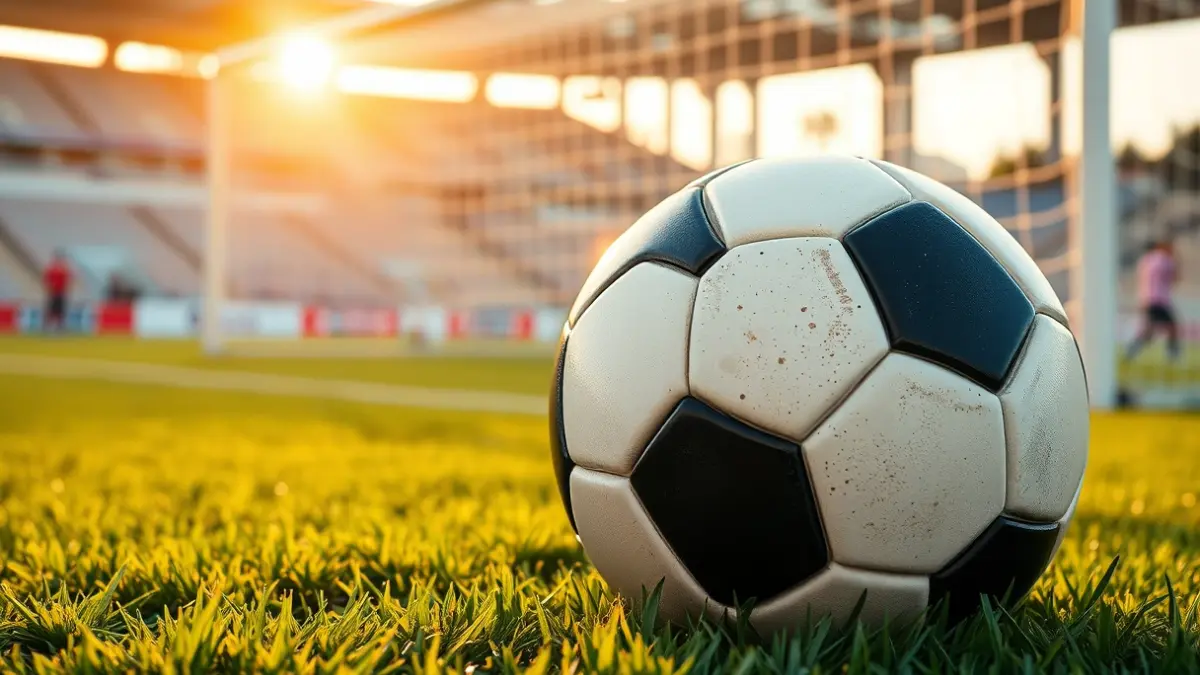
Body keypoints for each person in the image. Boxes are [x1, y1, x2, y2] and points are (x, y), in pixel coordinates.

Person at [1125, 239, 1180, 362]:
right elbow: (1175, 276)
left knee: (1149, 331)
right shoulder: (1163, 259)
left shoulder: (1144, 261)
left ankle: (1131, 351)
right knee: (1172, 326)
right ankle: (1173, 354)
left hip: (1146, 299)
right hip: (1159, 300)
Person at [42, 250, 72, 333]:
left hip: (61, 293)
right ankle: (48, 326)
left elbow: (67, 281)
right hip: (54, 293)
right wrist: (50, 289)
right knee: (52, 309)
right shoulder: (52, 269)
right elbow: (47, 281)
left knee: (61, 311)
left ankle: (59, 327)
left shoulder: (64, 270)